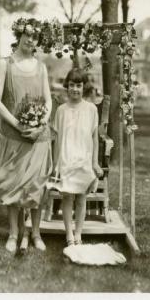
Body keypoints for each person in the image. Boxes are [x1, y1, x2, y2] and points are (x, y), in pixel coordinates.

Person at [0, 19, 52, 255]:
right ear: (19, 35)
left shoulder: (41, 67)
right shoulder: (4, 64)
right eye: (27, 35)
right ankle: (13, 233)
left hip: (39, 136)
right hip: (14, 134)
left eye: (35, 38)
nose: (31, 41)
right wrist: (18, 124)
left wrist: (41, 123)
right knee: (13, 185)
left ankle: (36, 233)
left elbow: (49, 101)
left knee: (36, 186)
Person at [50, 68, 103, 246]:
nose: (75, 89)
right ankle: (69, 235)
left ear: (83, 87)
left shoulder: (91, 109)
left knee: (81, 198)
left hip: (84, 159)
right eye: (71, 85)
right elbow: (57, 139)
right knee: (67, 197)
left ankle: (79, 233)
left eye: (78, 85)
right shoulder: (61, 111)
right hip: (66, 159)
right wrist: (55, 164)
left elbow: (95, 137)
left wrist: (95, 162)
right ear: (67, 87)